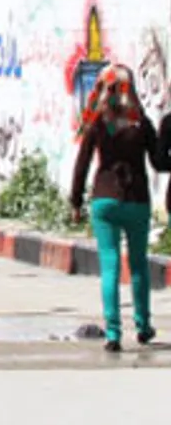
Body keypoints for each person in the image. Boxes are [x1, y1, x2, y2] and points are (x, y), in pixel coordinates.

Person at [72, 63, 164, 351]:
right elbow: (159, 162)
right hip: (137, 200)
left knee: (110, 266)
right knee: (138, 266)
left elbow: (83, 164)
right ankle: (143, 325)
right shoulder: (141, 123)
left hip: (105, 200)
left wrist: (75, 201)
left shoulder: (98, 122)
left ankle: (113, 333)